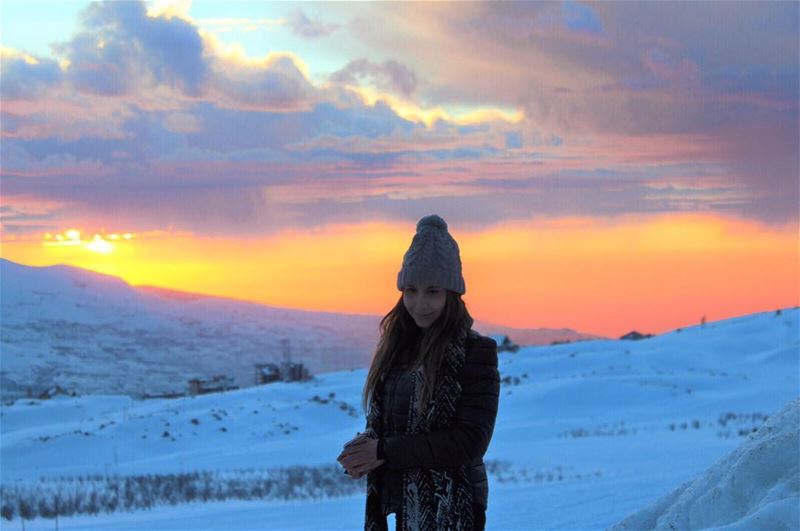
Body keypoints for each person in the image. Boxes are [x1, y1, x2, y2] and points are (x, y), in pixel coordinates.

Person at [337, 214, 500, 531]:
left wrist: (382, 450)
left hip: (451, 508)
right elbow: (396, 425)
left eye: (432, 291)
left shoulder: (475, 352)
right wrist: (364, 451)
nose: (419, 303)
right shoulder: (397, 349)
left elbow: (470, 441)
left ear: (451, 294)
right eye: (410, 290)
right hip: (397, 504)